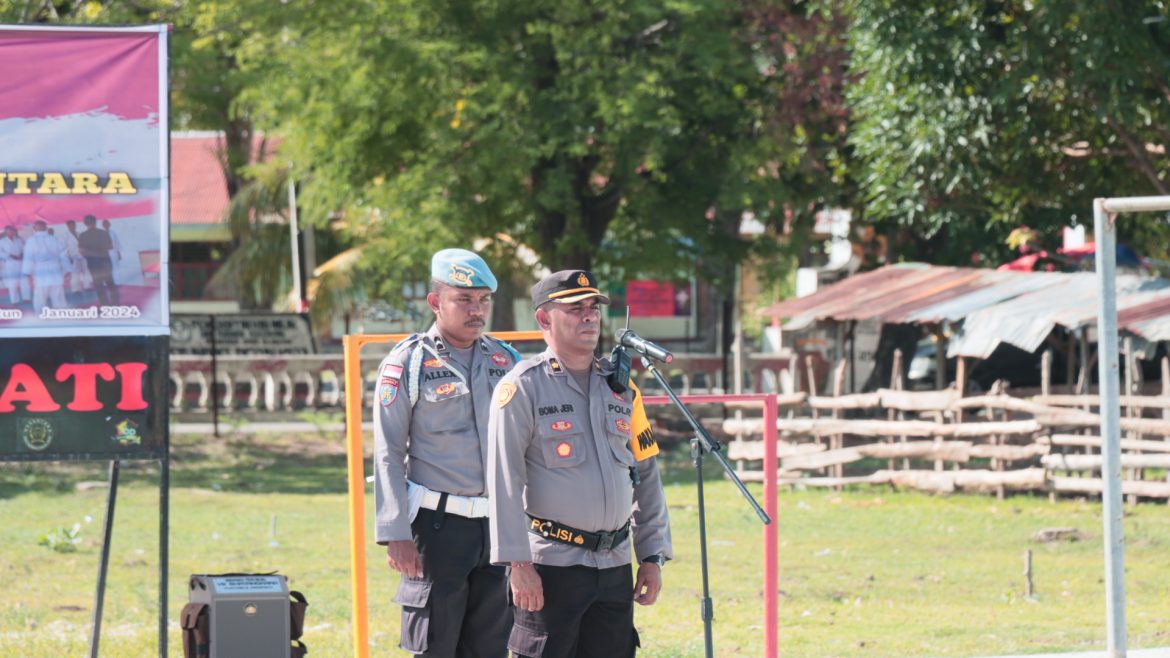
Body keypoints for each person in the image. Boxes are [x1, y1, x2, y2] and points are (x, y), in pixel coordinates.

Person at [488, 270, 672, 658]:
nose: (589, 316)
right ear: (544, 319)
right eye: (575, 309)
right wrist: (517, 564)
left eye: (593, 307)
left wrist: (652, 556)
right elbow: (503, 481)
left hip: (615, 566)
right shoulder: (522, 387)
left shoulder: (621, 387)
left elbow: (647, 475)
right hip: (552, 568)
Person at [373, 248, 522, 657]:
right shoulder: (409, 363)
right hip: (436, 530)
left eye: (484, 300)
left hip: (496, 529)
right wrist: (395, 532)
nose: (477, 310)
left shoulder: (506, 362)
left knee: (491, 646)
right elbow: (387, 450)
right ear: (436, 302)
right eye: (464, 299)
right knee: (435, 646)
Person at [21, 220, 70, 313]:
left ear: (34, 228)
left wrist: (27, 275)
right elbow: (64, 256)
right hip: (55, 271)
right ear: (46, 228)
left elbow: (28, 258)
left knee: (40, 299)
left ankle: (40, 319)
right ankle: (63, 319)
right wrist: (67, 270)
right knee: (59, 299)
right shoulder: (55, 239)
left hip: (40, 273)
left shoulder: (31, 241)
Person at [77, 214, 118, 305]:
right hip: (105, 261)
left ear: (85, 223)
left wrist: (91, 253)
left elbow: (81, 251)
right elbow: (110, 247)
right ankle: (116, 304)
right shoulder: (104, 233)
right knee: (110, 283)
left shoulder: (83, 236)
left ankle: (104, 305)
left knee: (98, 285)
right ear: (95, 222)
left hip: (93, 262)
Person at [0, 224, 29, 305]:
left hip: (21, 263)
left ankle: (26, 298)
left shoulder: (19, 240)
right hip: (10, 264)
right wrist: (10, 256)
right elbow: (0, 252)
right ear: (6, 232)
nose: (11, 232)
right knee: (12, 283)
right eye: (9, 230)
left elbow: (25, 250)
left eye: (12, 230)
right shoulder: (2, 242)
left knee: (24, 282)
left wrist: (22, 255)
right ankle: (14, 300)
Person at [102, 219, 123, 284]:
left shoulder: (113, 233)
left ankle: (117, 282)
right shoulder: (101, 234)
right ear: (103, 225)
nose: (106, 225)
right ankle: (108, 283)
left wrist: (119, 253)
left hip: (114, 253)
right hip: (105, 253)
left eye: (107, 224)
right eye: (105, 224)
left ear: (109, 225)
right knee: (106, 269)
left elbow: (117, 243)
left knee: (116, 267)